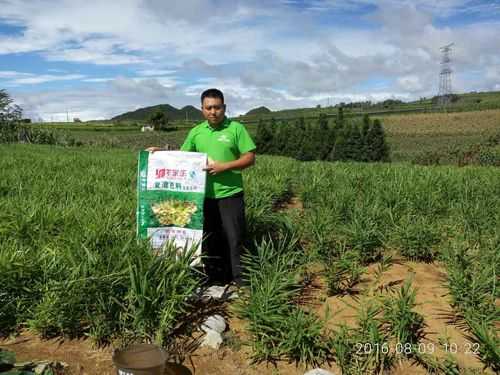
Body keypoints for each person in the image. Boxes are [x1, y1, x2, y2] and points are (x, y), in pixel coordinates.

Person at [148, 88, 256, 286]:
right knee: (209, 238)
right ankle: (216, 279)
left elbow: (250, 158)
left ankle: (242, 282)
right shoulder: (196, 132)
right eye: (208, 108)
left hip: (230, 194)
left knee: (234, 238)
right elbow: (182, 157)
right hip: (202, 196)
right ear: (202, 109)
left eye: (217, 107)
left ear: (224, 107)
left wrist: (225, 166)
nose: (213, 112)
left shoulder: (236, 129)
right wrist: (161, 153)